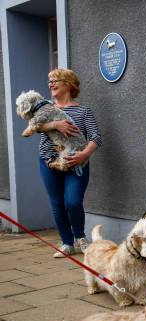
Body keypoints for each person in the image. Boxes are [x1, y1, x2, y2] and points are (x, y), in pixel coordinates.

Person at [38, 68, 102, 258]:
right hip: (49, 162)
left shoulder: (83, 111)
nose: (51, 84)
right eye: (49, 80)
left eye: (55, 80)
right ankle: (67, 243)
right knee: (57, 204)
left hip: (77, 164)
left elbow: (96, 136)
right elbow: (34, 125)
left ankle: (80, 237)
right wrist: (55, 124)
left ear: (68, 83)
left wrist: (84, 155)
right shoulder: (46, 107)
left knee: (73, 202)